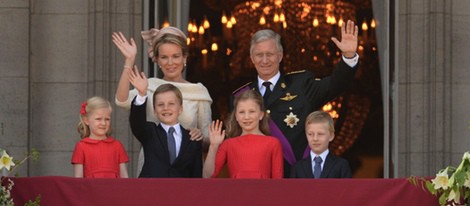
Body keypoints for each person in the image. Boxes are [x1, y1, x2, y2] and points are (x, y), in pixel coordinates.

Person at [232, 20, 359, 177]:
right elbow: (232, 141)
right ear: (252, 58)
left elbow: (335, 85)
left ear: (280, 56)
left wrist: (348, 56)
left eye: (270, 54)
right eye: (259, 55)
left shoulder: (301, 84)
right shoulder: (242, 96)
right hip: (259, 179)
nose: (264, 60)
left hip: (299, 177)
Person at [112, 26, 212, 175]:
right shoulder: (149, 86)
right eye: (164, 57)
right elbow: (122, 100)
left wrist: (200, 136)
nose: (170, 63)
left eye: (176, 56)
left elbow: (208, 141)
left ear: (185, 57)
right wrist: (129, 61)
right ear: (157, 60)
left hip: (185, 175)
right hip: (152, 171)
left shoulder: (199, 92)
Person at [128, 66, 202, 178]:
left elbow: (196, 174)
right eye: (160, 104)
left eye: (171, 104)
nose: (166, 108)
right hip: (151, 191)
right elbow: (136, 122)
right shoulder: (150, 132)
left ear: (180, 109)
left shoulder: (192, 138)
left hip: (181, 193)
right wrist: (142, 94)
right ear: (155, 110)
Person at [203, 90, 283, 179]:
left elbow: (278, 181)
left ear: (261, 115)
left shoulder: (273, 143)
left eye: (252, 111)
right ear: (236, 116)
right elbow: (208, 176)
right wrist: (213, 146)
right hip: (236, 192)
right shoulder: (229, 144)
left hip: (263, 192)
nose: (246, 117)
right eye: (241, 112)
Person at [71, 96, 129, 178]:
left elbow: (124, 177)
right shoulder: (81, 147)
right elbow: (78, 179)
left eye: (107, 119)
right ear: (86, 120)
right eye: (98, 119)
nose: (103, 123)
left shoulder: (117, 145)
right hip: (91, 190)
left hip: (114, 189)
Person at [290, 111, 352, 178]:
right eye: (310, 134)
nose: (315, 139)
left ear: (331, 136)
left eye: (320, 134)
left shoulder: (341, 165)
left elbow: (347, 188)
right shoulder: (298, 167)